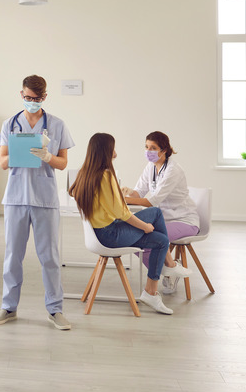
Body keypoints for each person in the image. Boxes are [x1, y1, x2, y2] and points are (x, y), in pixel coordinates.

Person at [0, 75, 74, 330]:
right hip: (16, 197)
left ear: (44, 97)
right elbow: (2, 162)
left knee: (49, 256)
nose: (32, 102)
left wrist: (48, 156)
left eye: (36, 99)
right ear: (21, 95)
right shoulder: (9, 124)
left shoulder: (57, 125)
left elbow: (63, 162)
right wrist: (17, 155)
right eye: (28, 98)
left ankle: (55, 310)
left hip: (45, 198)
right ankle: (9, 307)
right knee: (13, 255)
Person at [70, 133, 188, 315]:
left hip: (98, 234)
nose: (115, 153)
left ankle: (153, 290)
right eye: (113, 148)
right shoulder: (106, 176)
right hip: (110, 235)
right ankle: (167, 270)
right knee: (156, 214)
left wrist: (119, 196)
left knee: (161, 241)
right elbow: (122, 213)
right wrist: (145, 226)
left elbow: (109, 205)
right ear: (106, 151)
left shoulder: (85, 174)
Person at [122, 131, 196, 294]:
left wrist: (123, 201)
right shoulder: (150, 167)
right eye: (146, 147)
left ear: (164, 150)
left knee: (150, 238)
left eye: (153, 148)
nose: (148, 151)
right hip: (162, 220)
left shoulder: (173, 170)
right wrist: (127, 192)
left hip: (183, 220)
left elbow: (151, 202)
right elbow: (139, 193)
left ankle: (169, 271)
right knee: (133, 238)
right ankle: (170, 269)